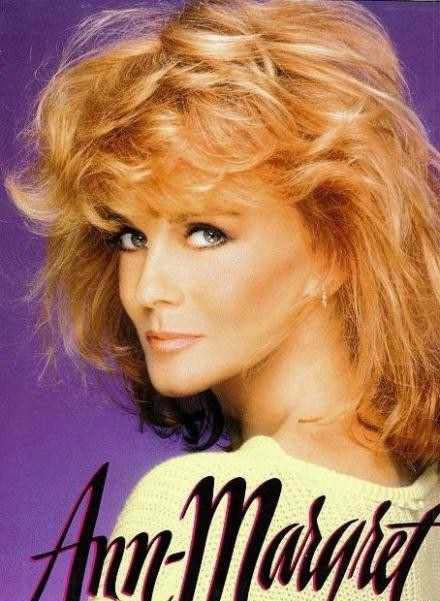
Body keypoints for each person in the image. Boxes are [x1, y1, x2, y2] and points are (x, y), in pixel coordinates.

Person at [5, 0, 440, 599]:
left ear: (336, 248)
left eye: (206, 233)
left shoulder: (200, 517)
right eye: (130, 236)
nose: (148, 289)